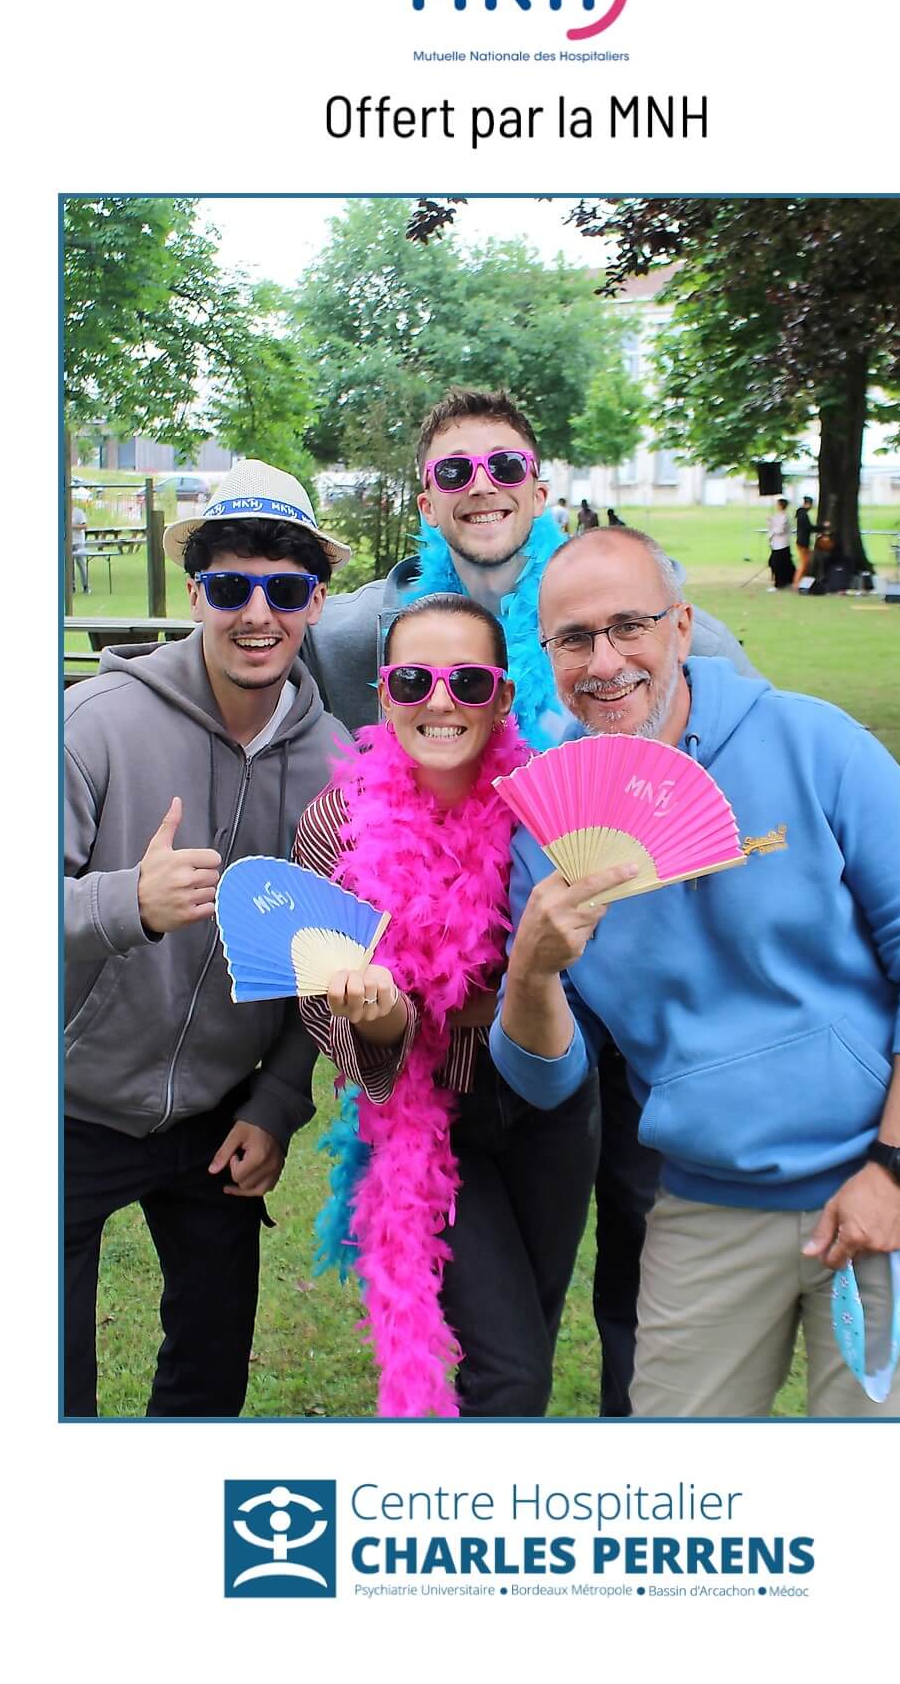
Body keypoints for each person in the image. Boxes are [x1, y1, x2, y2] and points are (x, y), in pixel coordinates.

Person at [299, 387, 762, 1417]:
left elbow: (734, 730)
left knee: (637, 1255)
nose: (482, 489)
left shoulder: (603, 601)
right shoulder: (370, 631)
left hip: (629, 1007)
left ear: (539, 484)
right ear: (425, 500)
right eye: (454, 472)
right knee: (510, 1342)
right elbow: (276, 675)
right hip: (465, 1040)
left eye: (504, 467)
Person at [491, 525, 900, 1418]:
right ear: (548, 652)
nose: (604, 662)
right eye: (573, 639)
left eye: (629, 626)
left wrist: (899, 1164)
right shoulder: (546, 825)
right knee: (682, 1502)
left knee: (891, 1506)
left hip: (888, 1176)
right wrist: (532, 974)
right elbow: (551, 1077)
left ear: (682, 627)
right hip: (708, 1203)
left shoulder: (812, 743)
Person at [63, 460, 352, 1417]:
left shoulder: (337, 765)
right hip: (65, 1107)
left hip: (218, 1119)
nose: (256, 612)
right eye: (230, 586)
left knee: (209, 1376)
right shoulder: (93, 724)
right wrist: (124, 902)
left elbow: (323, 958)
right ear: (197, 594)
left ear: (316, 602)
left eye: (286, 588)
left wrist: (275, 1103)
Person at [294, 595, 599, 1417]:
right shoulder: (338, 826)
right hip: (432, 1119)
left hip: (553, 1111)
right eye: (413, 679)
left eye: (468, 680)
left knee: (527, 1330)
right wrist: (390, 1016)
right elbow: (331, 1020)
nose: (440, 701)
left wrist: (501, 991)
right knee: (511, 1370)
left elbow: (599, 961)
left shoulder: (548, 805)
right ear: (383, 693)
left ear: (502, 696)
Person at [767, 496, 796, 589]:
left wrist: (773, 528)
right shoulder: (777, 515)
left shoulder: (785, 516)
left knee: (779, 564)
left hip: (782, 544)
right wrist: (770, 522)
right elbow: (773, 526)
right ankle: (785, 581)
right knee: (773, 562)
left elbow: (780, 530)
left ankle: (780, 583)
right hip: (775, 544)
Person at [793, 495, 814, 590]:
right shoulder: (803, 515)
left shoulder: (801, 513)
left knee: (807, 562)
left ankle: (801, 582)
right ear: (808, 504)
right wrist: (823, 527)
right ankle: (796, 583)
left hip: (802, 541)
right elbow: (808, 528)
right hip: (803, 542)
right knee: (804, 563)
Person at [71, 501, 90, 594]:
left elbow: (85, 526)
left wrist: (73, 526)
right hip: (68, 542)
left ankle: (86, 586)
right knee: (69, 566)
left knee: (81, 564)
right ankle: (71, 586)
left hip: (78, 542)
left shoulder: (78, 512)